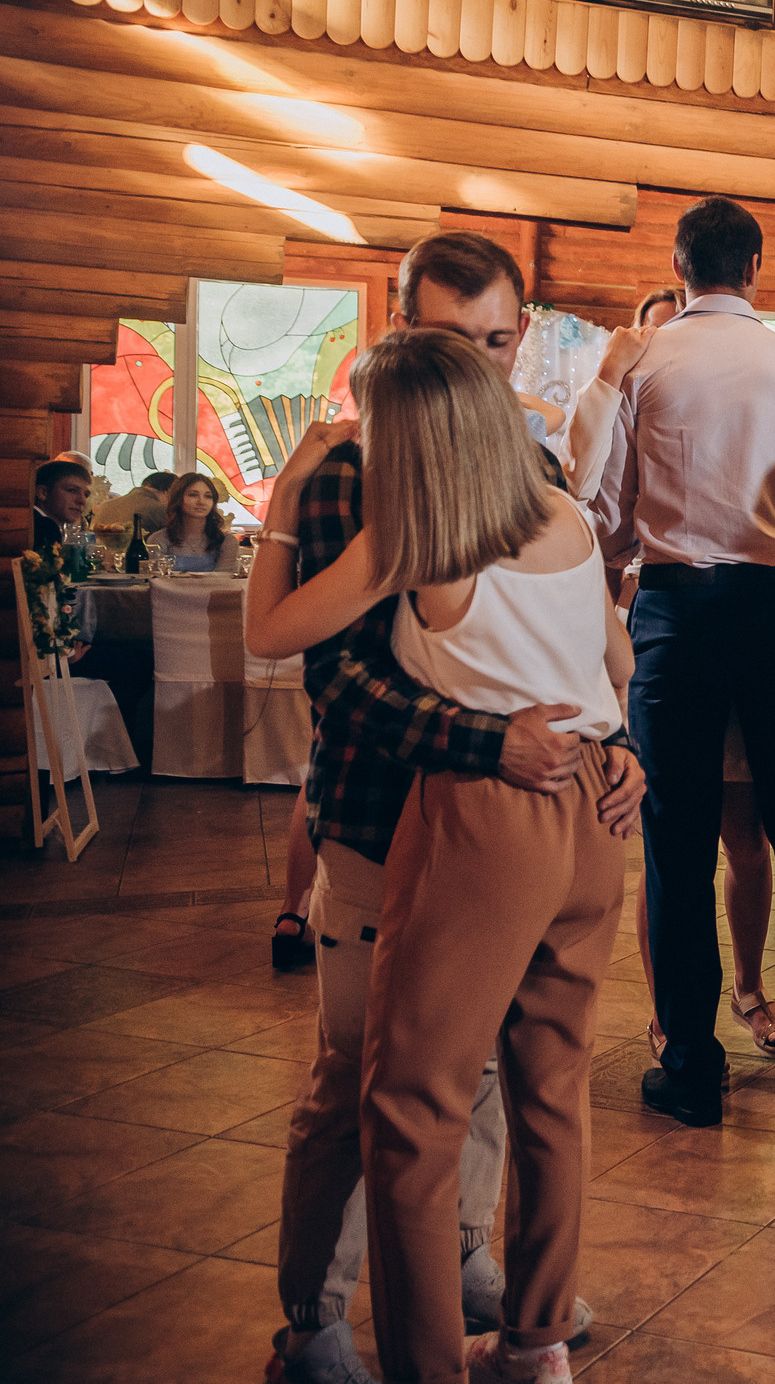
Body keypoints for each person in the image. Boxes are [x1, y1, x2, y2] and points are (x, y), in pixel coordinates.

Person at [262, 231, 635, 1384]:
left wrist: (612, 745)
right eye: (446, 340)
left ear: (519, 338)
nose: (475, 363)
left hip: (501, 820)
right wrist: (530, 738)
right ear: (400, 332)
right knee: (363, 1081)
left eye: (494, 339)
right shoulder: (363, 475)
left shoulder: (530, 476)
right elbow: (335, 675)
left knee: (461, 1095)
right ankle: (321, 1318)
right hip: (392, 815)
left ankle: (481, 1295)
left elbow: (597, 665)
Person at [592, 196, 775, 1128]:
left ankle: (693, 1065)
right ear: (754, 270)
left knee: (676, 835)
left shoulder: (644, 360)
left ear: (678, 266)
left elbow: (609, 516)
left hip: (678, 606)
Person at [144, 472, 234, 571]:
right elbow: (157, 578)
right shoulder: (159, 540)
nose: (201, 502)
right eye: (193, 495)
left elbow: (224, 578)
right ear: (178, 499)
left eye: (208, 496)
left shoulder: (226, 541)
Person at [32, 458, 88, 551]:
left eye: (86, 494)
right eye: (72, 490)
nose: (82, 500)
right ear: (43, 493)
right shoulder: (44, 527)